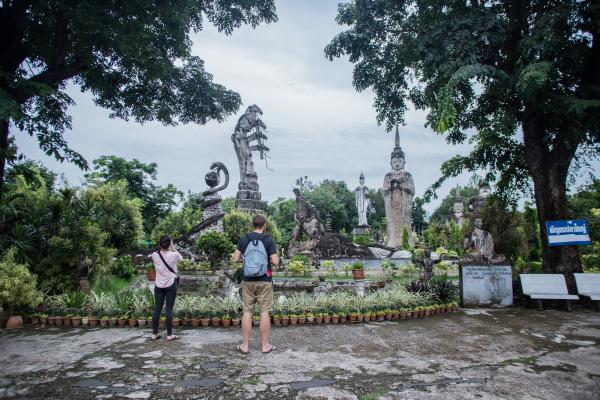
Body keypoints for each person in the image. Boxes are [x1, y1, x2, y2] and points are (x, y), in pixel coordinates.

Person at [232, 214, 279, 354]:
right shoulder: (268, 239)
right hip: (264, 280)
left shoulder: (244, 238)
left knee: (247, 311)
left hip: (247, 280)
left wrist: (247, 261)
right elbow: (275, 262)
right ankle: (265, 346)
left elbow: (236, 258)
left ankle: (245, 346)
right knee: (264, 311)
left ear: (253, 225)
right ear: (264, 225)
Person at [150, 235, 182, 341]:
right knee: (169, 309)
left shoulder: (154, 255)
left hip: (158, 285)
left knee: (157, 309)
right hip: (170, 284)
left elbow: (159, 253)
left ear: (160, 244)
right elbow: (181, 258)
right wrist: (172, 247)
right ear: (169, 244)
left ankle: (154, 334)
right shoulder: (174, 255)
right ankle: (169, 335)